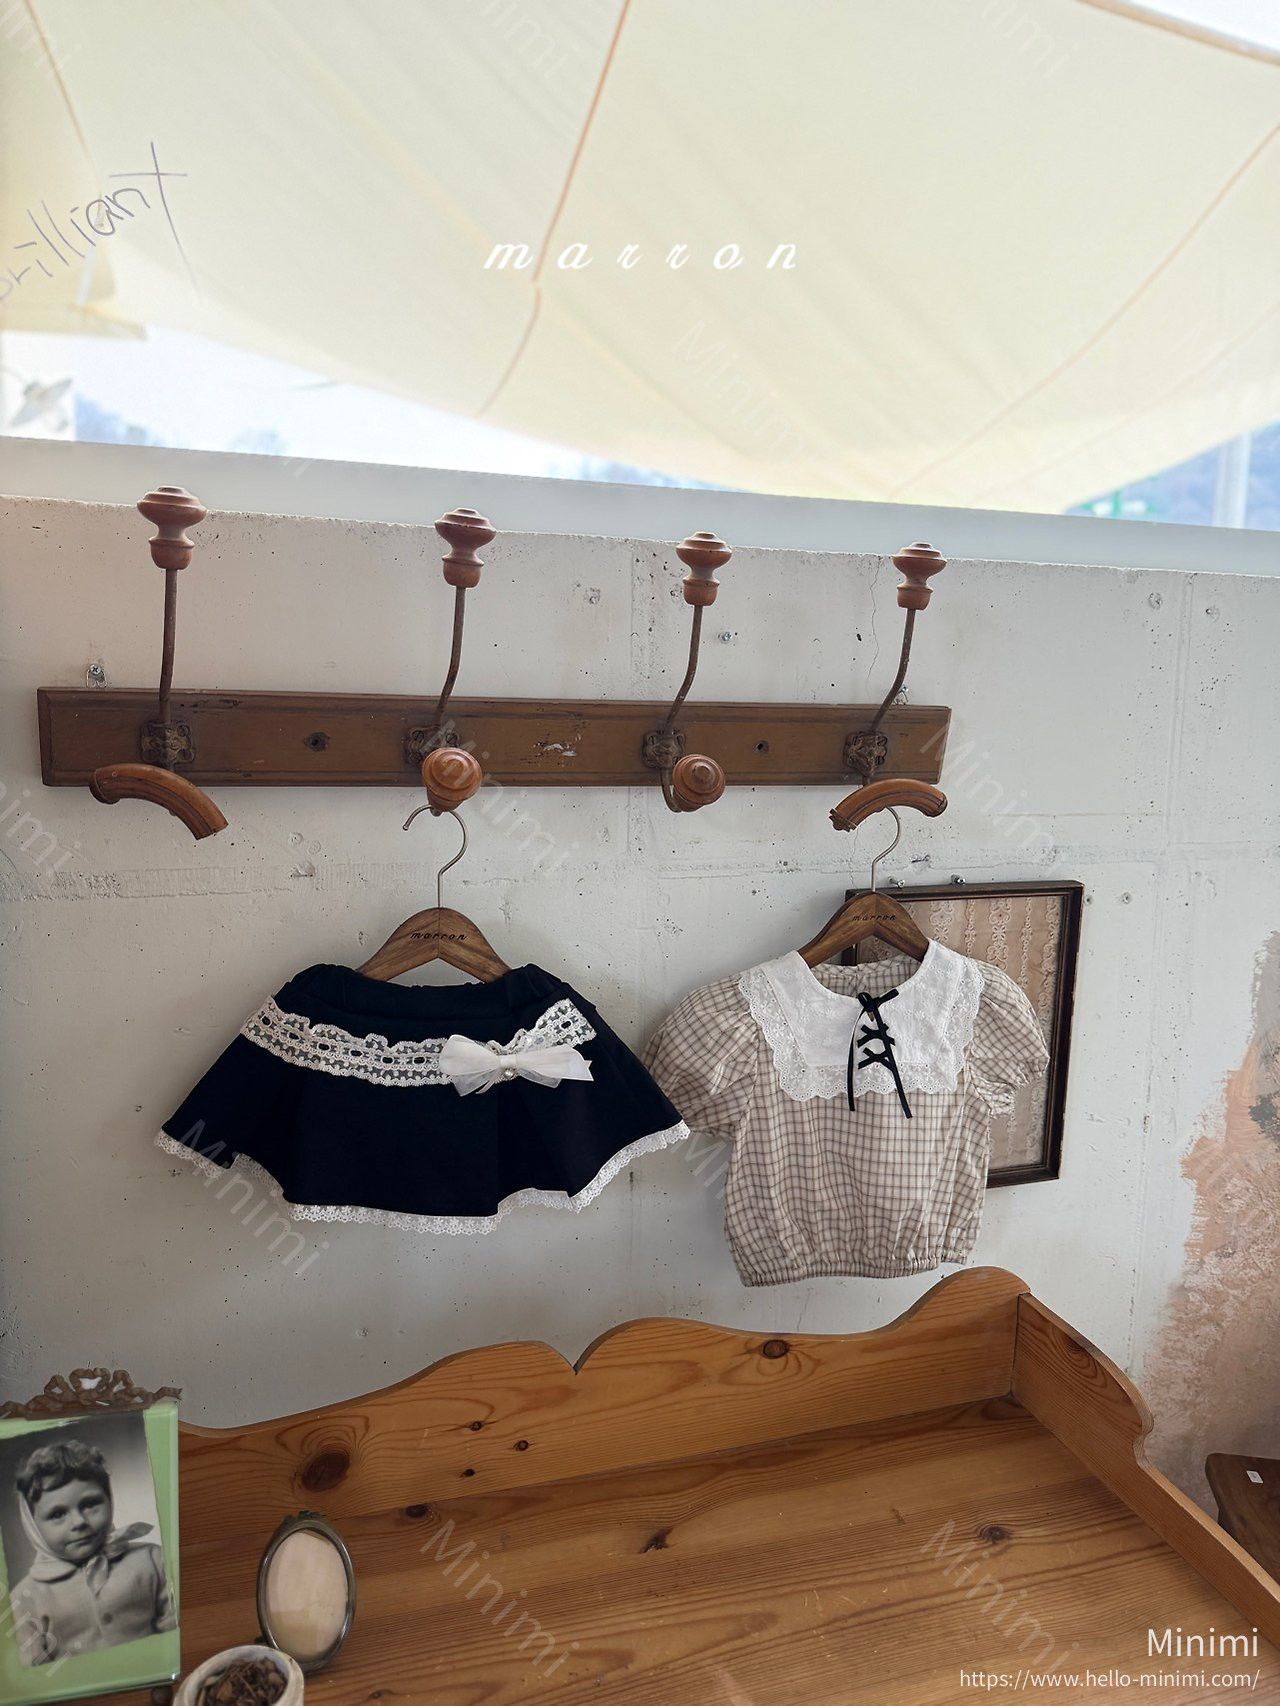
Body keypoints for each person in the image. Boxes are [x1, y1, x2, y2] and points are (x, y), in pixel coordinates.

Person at [9, 1435, 175, 1667]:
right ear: (32, 1525)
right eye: (58, 1514)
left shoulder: (152, 1560)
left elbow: (175, 1640)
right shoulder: (25, 1598)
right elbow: (34, 1671)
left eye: (90, 1504)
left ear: (109, 1500)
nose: (79, 1522)